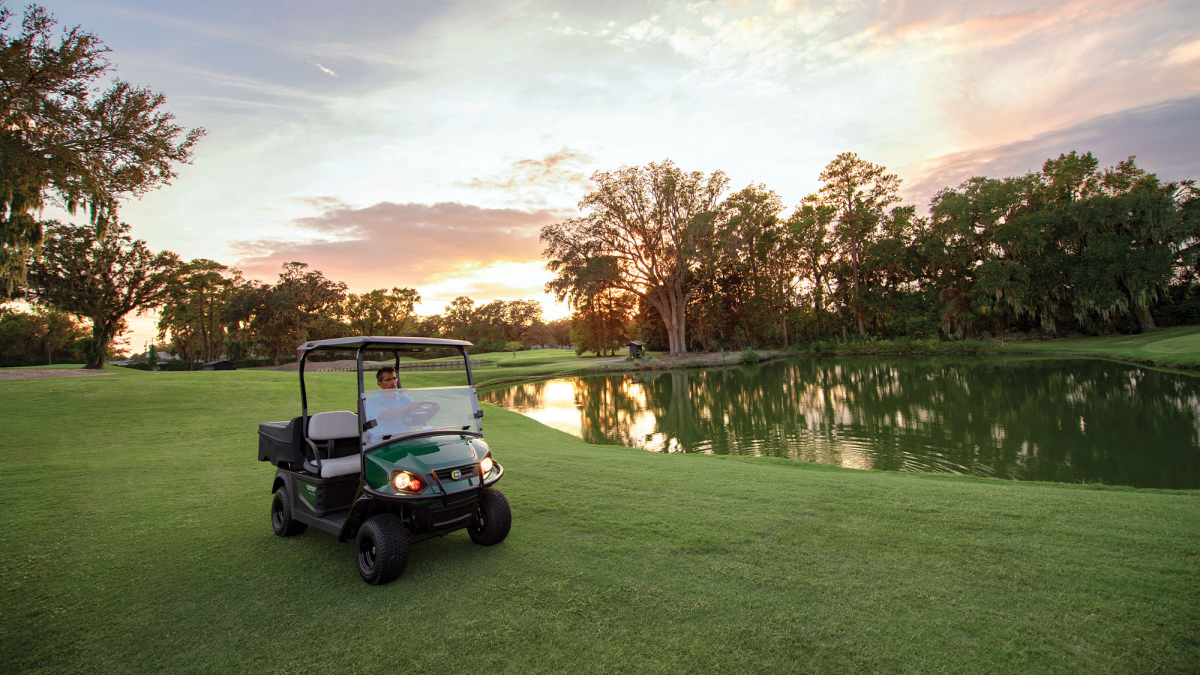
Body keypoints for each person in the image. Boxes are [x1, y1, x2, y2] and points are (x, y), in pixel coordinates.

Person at [364, 367, 421, 440]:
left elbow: (416, 409)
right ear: (379, 384)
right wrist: (406, 408)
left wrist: (431, 408)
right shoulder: (372, 402)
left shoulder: (404, 398)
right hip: (383, 442)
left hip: (404, 439)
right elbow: (386, 415)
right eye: (388, 380)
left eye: (394, 379)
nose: (393, 382)